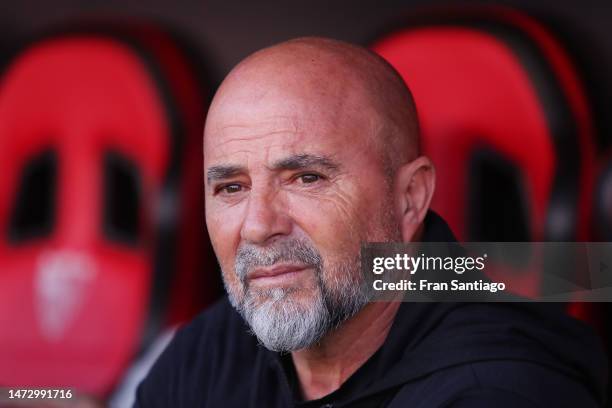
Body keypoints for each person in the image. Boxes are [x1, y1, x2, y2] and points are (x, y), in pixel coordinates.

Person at [135, 37, 607, 407]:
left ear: (410, 198)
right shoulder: (208, 355)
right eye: (231, 188)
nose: (258, 226)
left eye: (306, 178)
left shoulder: (499, 391)